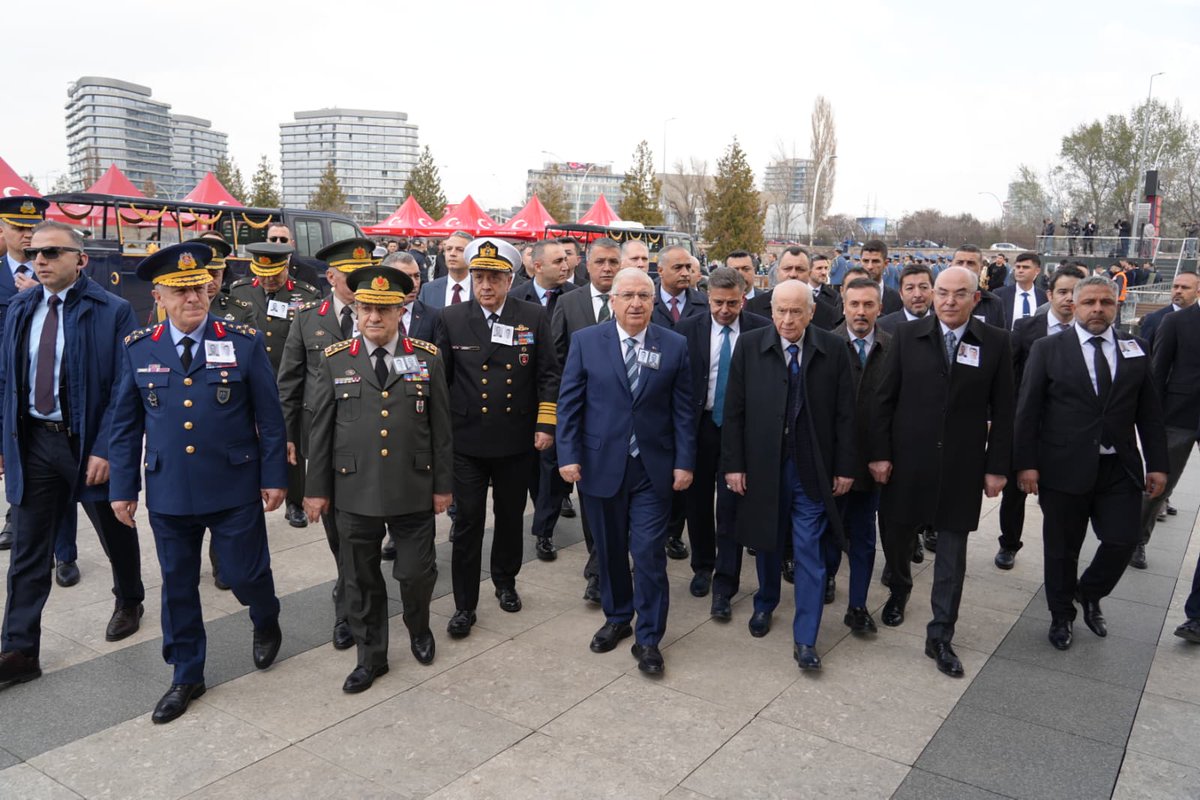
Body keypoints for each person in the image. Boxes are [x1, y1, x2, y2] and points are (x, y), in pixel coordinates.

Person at [108, 241, 286, 724]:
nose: (194, 297)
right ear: (159, 297)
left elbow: (270, 419)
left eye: (200, 287)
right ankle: (187, 673)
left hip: (232, 486)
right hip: (170, 491)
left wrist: (274, 476)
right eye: (180, 290)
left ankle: (265, 618)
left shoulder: (243, 341)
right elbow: (125, 425)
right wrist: (122, 487)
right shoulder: (139, 348)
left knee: (246, 574)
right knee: (178, 586)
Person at [0, 221, 146, 689]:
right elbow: (8, 378)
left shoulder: (114, 310)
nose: (39, 261)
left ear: (79, 260)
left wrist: (106, 447)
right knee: (27, 548)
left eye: (51, 253)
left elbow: (126, 387)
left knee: (113, 530)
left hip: (87, 443)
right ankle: (19, 649)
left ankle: (129, 598)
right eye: (34, 253)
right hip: (34, 441)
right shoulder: (21, 307)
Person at [304, 265, 452, 691]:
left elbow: (441, 428)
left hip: (413, 485)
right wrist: (315, 491)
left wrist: (443, 486)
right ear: (356, 311)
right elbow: (321, 430)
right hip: (354, 489)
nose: (374, 318)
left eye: (384, 310)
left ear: (401, 311)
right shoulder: (335, 362)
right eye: (366, 308)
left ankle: (419, 627)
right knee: (361, 580)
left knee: (416, 573)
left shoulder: (426, 357)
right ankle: (371, 658)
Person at [868, 266, 1015, 678]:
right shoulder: (904, 338)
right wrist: (879, 455)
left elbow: (1004, 411)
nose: (949, 301)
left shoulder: (996, 342)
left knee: (952, 556)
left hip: (961, 467)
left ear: (976, 297)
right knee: (896, 537)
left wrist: (997, 467)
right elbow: (883, 400)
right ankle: (899, 589)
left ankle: (940, 635)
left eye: (959, 294)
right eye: (942, 293)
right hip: (906, 461)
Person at [1015, 276, 1168, 650]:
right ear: (1074, 306)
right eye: (1089, 303)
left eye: (1106, 302)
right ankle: (1061, 616)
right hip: (1063, 467)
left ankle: (1088, 592)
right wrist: (1026, 464)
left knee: (1123, 539)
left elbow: (1149, 413)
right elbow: (1028, 410)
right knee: (1061, 548)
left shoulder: (1136, 348)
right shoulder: (1048, 348)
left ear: (1117, 306)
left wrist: (1159, 464)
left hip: (1119, 468)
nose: (1098, 309)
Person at [557, 267, 695, 675]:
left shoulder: (674, 345)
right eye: (628, 295)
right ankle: (617, 617)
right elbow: (569, 404)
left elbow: (684, 411)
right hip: (600, 466)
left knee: (649, 554)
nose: (636, 303)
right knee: (610, 549)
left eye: (644, 296)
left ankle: (649, 637)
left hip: (653, 469)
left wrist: (685, 461)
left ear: (654, 302)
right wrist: (567, 454)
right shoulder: (586, 343)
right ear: (612, 301)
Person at [722, 279, 855, 670]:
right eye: (780, 310)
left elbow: (847, 414)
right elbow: (734, 410)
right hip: (764, 466)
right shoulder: (749, 346)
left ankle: (806, 638)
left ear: (812, 313)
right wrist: (734, 464)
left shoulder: (833, 349)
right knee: (767, 541)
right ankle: (765, 602)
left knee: (810, 552)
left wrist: (846, 467)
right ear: (771, 310)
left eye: (796, 311)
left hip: (812, 469)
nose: (787, 319)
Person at [434, 238, 559, 639]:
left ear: (510, 279)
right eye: (479, 277)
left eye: (493, 278)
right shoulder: (451, 318)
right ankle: (464, 604)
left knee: (509, 519)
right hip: (468, 442)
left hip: (515, 439)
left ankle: (506, 581)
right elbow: (441, 380)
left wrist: (545, 425)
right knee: (468, 524)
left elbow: (547, 376)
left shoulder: (533, 316)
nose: (485, 286)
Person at [277, 237, 379, 651]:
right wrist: (287, 437)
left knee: (371, 528)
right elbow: (289, 382)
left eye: (363, 274)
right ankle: (349, 608)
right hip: (323, 441)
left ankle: (366, 595)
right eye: (349, 276)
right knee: (341, 534)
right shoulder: (307, 319)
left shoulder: (383, 313)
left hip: (374, 440)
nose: (357, 284)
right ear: (330, 276)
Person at [676, 268, 770, 606]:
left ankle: (725, 583)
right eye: (718, 303)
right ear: (708, 298)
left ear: (744, 298)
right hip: (701, 428)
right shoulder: (688, 329)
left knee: (731, 506)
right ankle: (703, 566)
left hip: (741, 431)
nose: (725, 310)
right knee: (697, 503)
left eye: (733, 303)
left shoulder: (760, 329)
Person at [995, 265, 1086, 570]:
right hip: (1025, 425)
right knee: (1015, 492)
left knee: (1062, 498)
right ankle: (1009, 544)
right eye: (1062, 292)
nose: (1069, 299)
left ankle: (1063, 554)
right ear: (1050, 294)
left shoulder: (1089, 336)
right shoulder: (1025, 328)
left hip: (1065, 432)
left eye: (1076, 293)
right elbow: (1008, 376)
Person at [229, 241, 320, 529]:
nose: (268, 279)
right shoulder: (240, 290)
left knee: (290, 441)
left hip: (287, 381)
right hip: (250, 380)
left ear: (286, 267)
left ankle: (295, 501)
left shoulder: (306, 295)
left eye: (275, 274)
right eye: (262, 273)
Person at [551, 238, 621, 602]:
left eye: (613, 262)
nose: (607, 268)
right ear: (586, 266)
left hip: (625, 426)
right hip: (587, 426)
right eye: (600, 262)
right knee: (592, 503)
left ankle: (610, 566)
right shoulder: (568, 302)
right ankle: (598, 569)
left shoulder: (634, 303)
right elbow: (557, 361)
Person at [828, 277, 891, 633]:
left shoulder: (893, 347)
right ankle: (825, 581)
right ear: (844, 306)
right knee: (828, 535)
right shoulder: (825, 343)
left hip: (871, 467)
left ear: (879, 308)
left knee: (865, 539)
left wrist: (883, 456)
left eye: (869, 305)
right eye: (854, 304)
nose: (861, 312)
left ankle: (858, 605)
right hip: (833, 464)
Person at [510, 239, 577, 560]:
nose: (566, 265)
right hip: (520, 400)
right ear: (537, 266)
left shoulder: (575, 298)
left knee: (550, 466)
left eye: (567, 259)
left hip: (559, 397)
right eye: (558, 261)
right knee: (530, 469)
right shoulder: (514, 300)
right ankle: (542, 511)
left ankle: (543, 531)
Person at [1135, 288, 1200, 573]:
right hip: (1178, 415)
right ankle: (1135, 540)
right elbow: (1157, 373)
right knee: (1160, 483)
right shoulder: (1177, 322)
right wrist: (1152, 418)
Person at [0, 197, 50, 551]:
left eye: (32, 227)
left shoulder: (56, 276)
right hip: (5, 384)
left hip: (46, 383)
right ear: (2, 230)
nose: (27, 235)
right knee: (12, 453)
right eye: (19, 228)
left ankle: (63, 550)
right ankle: (13, 518)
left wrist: (44, 294)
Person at [198, 235, 256, 326]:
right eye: (203, 276)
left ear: (222, 272)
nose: (209, 282)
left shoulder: (240, 311)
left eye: (214, 275)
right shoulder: (178, 307)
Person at [382, 251, 440, 342]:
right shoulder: (373, 316)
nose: (414, 284)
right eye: (406, 277)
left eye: (417, 276)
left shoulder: (433, 317)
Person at [1138, 271, 1198, 350]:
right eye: (1175, 287)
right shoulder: (1154, 319)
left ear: (1198, 292)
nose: (1178, 291)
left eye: (1185, 287)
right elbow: (1145, 354)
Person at [948, 245, 1005, 328]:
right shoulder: (937, 299)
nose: (964, 267)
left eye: (970, 263)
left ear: (981, 268)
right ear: (951, 265)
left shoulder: (994, 303)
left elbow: (999, 338)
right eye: (960, 262)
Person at [994, 253, 1048, 330]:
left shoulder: (1044, 297)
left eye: (1025, 267)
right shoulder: (999, 294)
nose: (1020, 270)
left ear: (1037, 271)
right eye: (1018, 267)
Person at [418, 232, 472, 309]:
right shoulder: (428, 290)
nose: (452, 254)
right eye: (449, 249)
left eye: (460, 250)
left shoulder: (482, 289)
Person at [876, 264, 934, 334]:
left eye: (924, 287)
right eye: (910, 288)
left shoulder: (944, 323)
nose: (917, 295)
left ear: (932, 291)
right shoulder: (882, 327)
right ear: (901, 294)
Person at [855, 241, 904, 315]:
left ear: (885, 264)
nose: (869, 266)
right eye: (865, 261)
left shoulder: (897, 299)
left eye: (875, 261)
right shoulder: (848, 295)